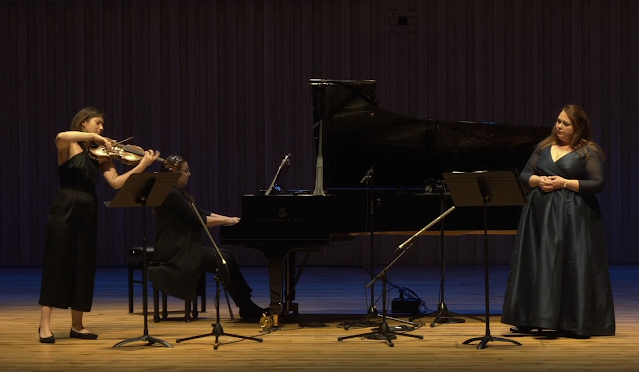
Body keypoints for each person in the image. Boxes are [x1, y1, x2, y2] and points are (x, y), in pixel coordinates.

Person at [39, 107, 160, 343]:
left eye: (102, 125)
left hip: (88, 210)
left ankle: (77, 325)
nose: (102, 128)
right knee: (57, 263)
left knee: (84, 265)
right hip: (65, 207)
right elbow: (60, 136)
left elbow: (116, 183)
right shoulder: (70, 145)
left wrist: (141, 166)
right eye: (98, 123)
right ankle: (44, 325)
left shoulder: (101, 155)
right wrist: (94, 138)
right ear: (84, 123)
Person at [501, 104, 615, 338]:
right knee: (536, 261)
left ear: (577, 128)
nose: (559, 126)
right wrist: (537, 180)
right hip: (539, 215)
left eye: (565, 123)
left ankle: (572, 321)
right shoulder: (544, 146)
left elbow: (597, 184)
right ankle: (528, 318)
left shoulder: (588, 151)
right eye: (558, 121)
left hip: (572, 216)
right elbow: (524, 174)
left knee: (570, 264)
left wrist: (563, 183)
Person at [147, 155, 264, 321]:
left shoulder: (177, 193)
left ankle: (246, 304)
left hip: (185, 248)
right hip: (176, 252)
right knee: (223, 259)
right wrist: (227, 220)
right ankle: (246, 306)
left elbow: (203, 213)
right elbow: (198, 220)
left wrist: (229, 218)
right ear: (174, 171)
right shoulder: (170, 194)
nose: (189, 174)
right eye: (186, 171)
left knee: (226, 256)